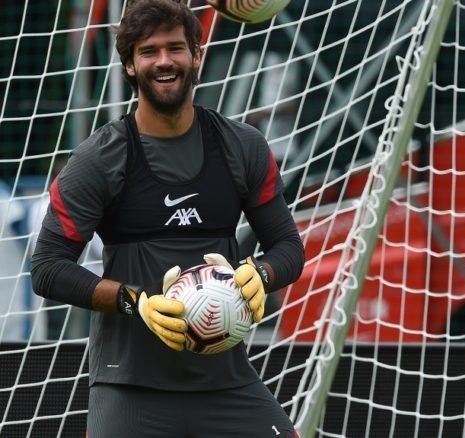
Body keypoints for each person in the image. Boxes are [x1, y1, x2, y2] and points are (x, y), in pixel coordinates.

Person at [30, 1, 305, 436]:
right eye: (149, 51)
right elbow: (46, 269)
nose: (164, 61)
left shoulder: (244, 146)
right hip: (130, 388)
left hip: (227, 384)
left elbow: (289, 248)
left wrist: (264, 275)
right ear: (129, 66)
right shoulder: (97, 159)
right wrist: (134, 301)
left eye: (176, 48)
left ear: (197, 55)